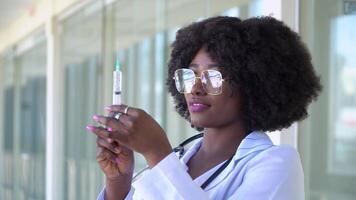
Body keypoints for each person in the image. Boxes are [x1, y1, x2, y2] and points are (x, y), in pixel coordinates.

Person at [86, 16, 321, 200]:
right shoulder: (179, 159)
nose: (195, 88)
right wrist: (118, 182)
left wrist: (157, 152)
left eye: (213, 75)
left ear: (252, 82)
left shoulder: (277, 164)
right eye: (191, 74)